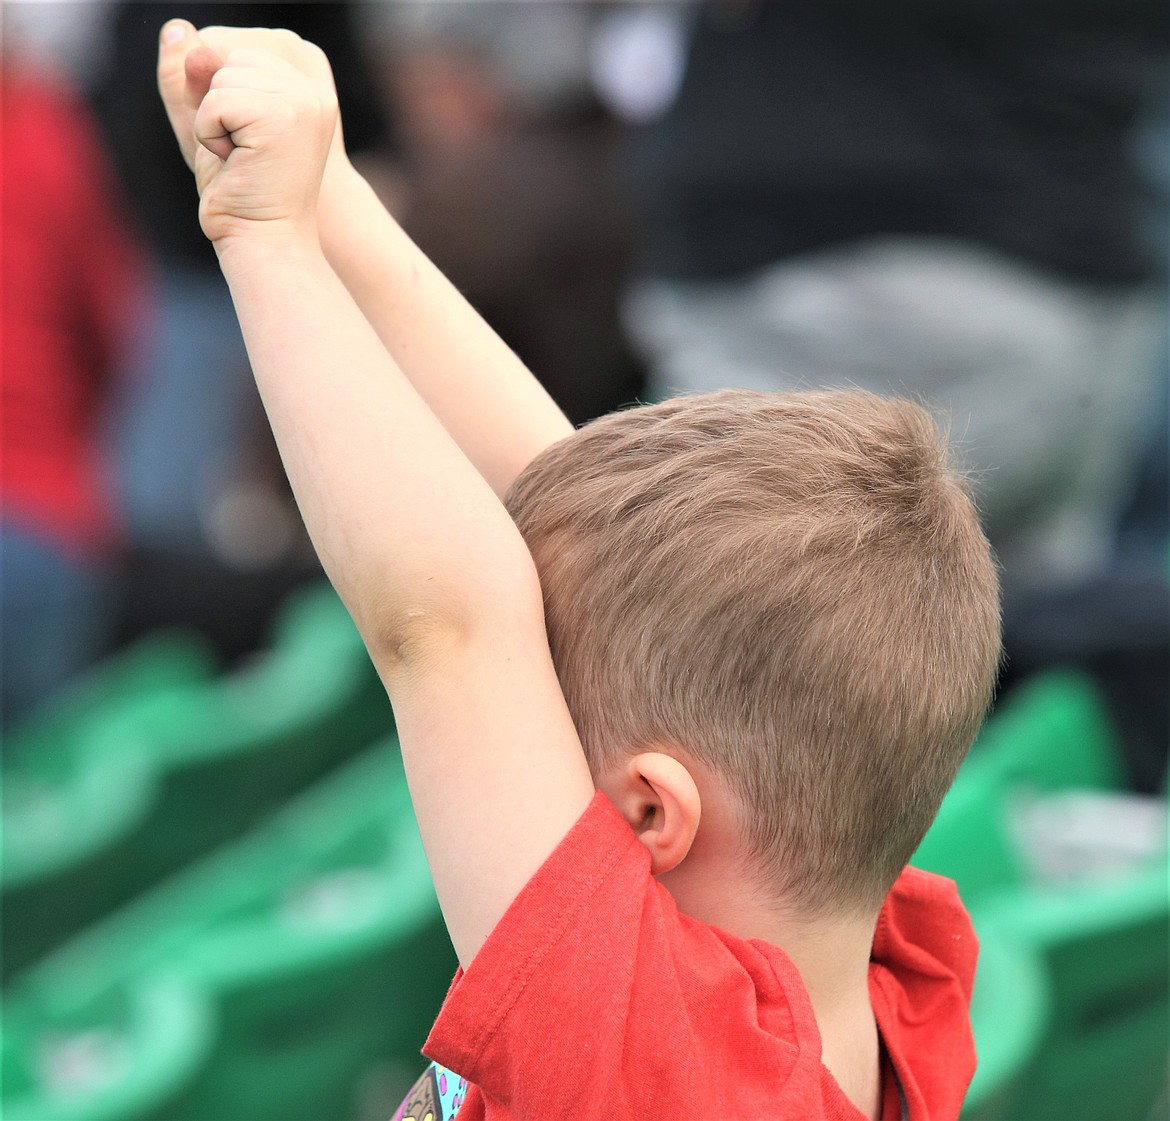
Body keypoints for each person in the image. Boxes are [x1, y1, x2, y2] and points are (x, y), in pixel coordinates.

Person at [156, 22, 1001, 1121]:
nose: (518, 713)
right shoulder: (882, 958)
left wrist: (261, 239)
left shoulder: (657, 1075)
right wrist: (331, 204)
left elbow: (448, 627)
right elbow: (573, 516)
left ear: (653, 811)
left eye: (541, 700)